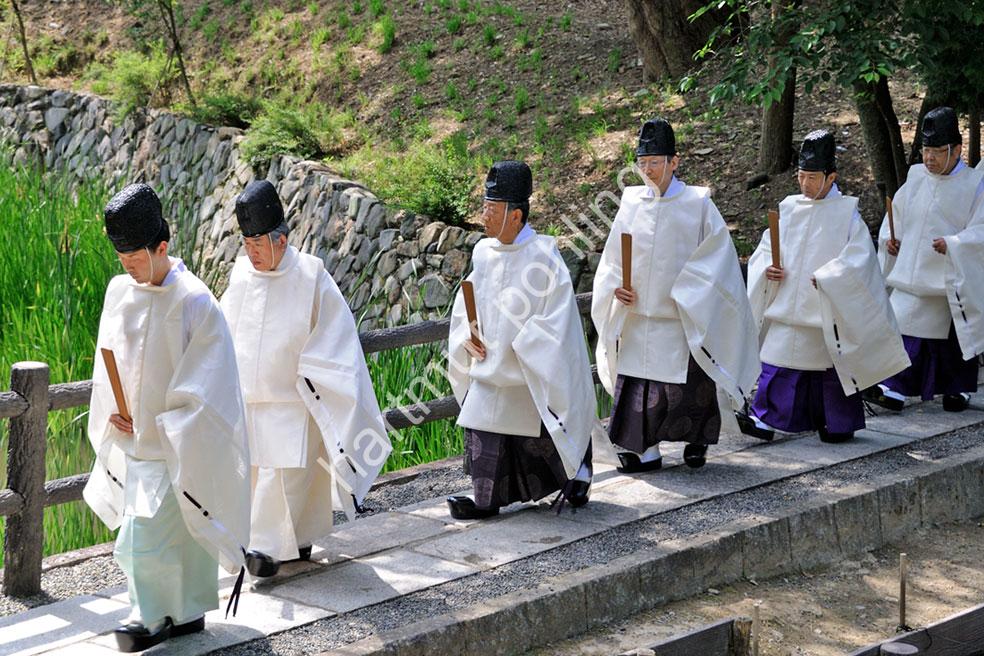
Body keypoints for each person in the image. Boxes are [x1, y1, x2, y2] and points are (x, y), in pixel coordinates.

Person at [84, 183, 251, 652]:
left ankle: (152, 616)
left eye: (136, 258)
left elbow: (211, 387)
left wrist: (165, 425)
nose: (129, 268)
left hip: (177, 443)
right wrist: (113, 410)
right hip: (136, 442)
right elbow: (107, 362)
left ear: (161, 247)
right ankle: (182, 613)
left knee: (153, 536)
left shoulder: (195, 302)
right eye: (122, 260)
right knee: (156, 533)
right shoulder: (122, 291)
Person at [220, 179, 391, 578]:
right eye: (246, 244)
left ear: (280, 240)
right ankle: (263, 548)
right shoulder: (241, 274)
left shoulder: (311, 275)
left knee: (282, 484)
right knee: (254, 476)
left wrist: (312, 378)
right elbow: (225, 330)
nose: (252, 253)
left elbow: (336, 339)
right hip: (249, 400)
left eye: (258, 244)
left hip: (294, 402)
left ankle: (267, 551)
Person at [592, 118, 761, 472]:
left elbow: (718, 257)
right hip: (638, 314)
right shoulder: (631, 201)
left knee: (688, 388)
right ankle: (644, 451)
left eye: (655, 162)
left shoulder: (697, 203)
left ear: (674, 161)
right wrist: (615, 288)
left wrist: (691, 290)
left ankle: (696, 440)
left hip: (680, 312)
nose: (648, 170)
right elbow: (612, 258)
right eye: (642, 163)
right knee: (639, 388)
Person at [446, 160, 598, 520]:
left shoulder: (545, 256)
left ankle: (576, 478)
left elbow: (557, 319)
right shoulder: (483, 252)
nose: (483, 218)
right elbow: (466, 306)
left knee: (547, 425)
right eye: (484, 208)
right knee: (486, 423)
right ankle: (486, 498)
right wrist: (469, 337)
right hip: (489, 370)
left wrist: (525, 344)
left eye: (491, 210)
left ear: (516, 216)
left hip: (528, 368)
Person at [743, 130, 909, 443]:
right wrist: (769, 268)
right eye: (801, 176)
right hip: (788, 306)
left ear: (830, 177)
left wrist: (833, 276)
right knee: (779, 363)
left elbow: (860, 259)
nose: (804, 184)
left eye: (812, 177)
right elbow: (768, 246)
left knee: (831, 372)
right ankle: (764, 419)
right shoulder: (790, 207)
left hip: (826, 308)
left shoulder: (846, 214)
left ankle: (837, 424)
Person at [867, 107, 984, 412]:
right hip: (910, 276)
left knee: (951, 342)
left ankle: (957, 390)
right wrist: (891, 241)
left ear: (957, 150)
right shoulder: (916, 176)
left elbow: (981, 231)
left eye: (937, 152)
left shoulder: (975, 184)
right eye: (925, 151)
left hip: (948, 278)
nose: (929, 158)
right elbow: (899, 217)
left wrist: (956, 244)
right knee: (905, 331)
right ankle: (893, 388)